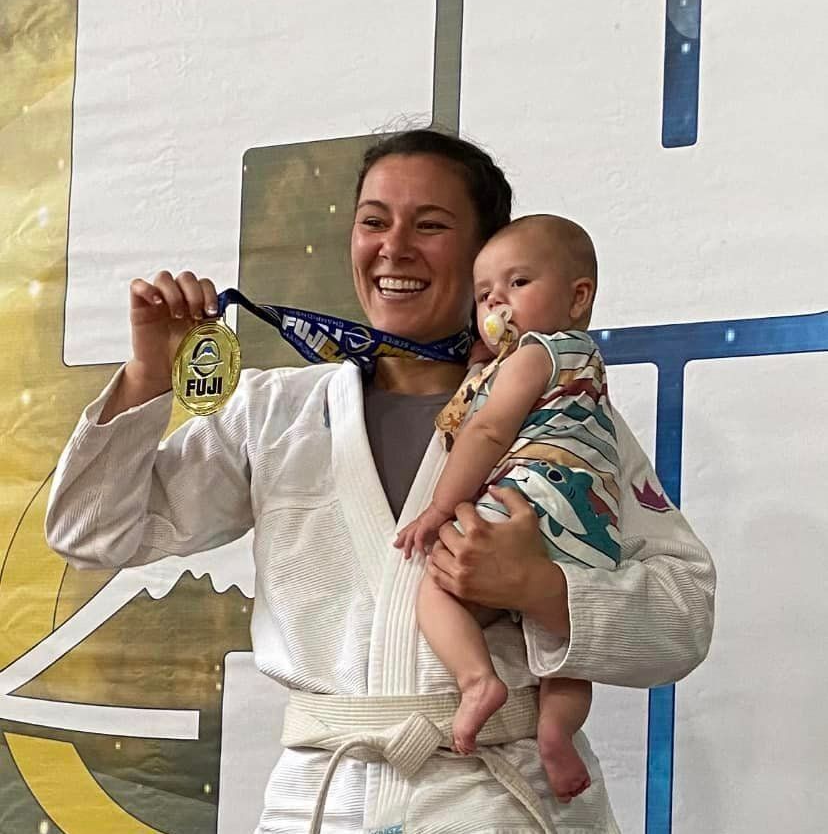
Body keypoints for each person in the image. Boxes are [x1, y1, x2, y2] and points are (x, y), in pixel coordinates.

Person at [46, 129, 716, 834]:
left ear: (486, 253)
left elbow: (684, 614)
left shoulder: (560, 414)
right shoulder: (275, 413)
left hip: (501, 803)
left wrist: (541, 589)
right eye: (373, 221)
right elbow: (90, 532)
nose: (393, 247)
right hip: (320, 805)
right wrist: (149, 376)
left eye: (430, 225)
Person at [396, 214, 619, 803]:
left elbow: (490, 429)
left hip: (530, 498)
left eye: (518, 283)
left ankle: (477, 682)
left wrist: (440, 507)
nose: (497, 302)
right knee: (567, 651)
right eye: (484, 295)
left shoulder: (533, 355)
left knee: (437, 589)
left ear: (578, 297)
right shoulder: (584, 361)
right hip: (590, 521)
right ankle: (555, 731)